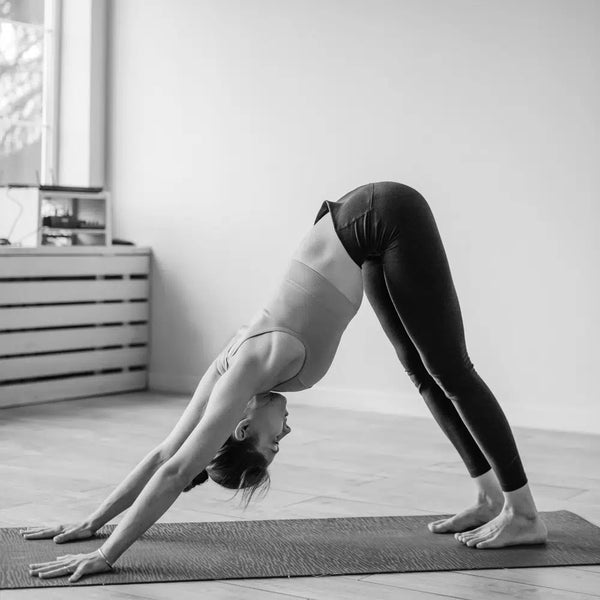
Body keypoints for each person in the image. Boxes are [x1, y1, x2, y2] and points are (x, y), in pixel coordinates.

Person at [22, 182, 547, 582]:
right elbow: (165, 455)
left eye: (272, 444)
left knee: (451, 368)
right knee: (422, 370)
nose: (285, 436)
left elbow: (178, 469)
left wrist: (106, 553)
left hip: (383, 216)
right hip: (361, 232)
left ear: (243, 426)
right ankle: (486, 496)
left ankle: (523, 513)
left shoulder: (249, 370)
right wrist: (94, 521)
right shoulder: (229, 369)